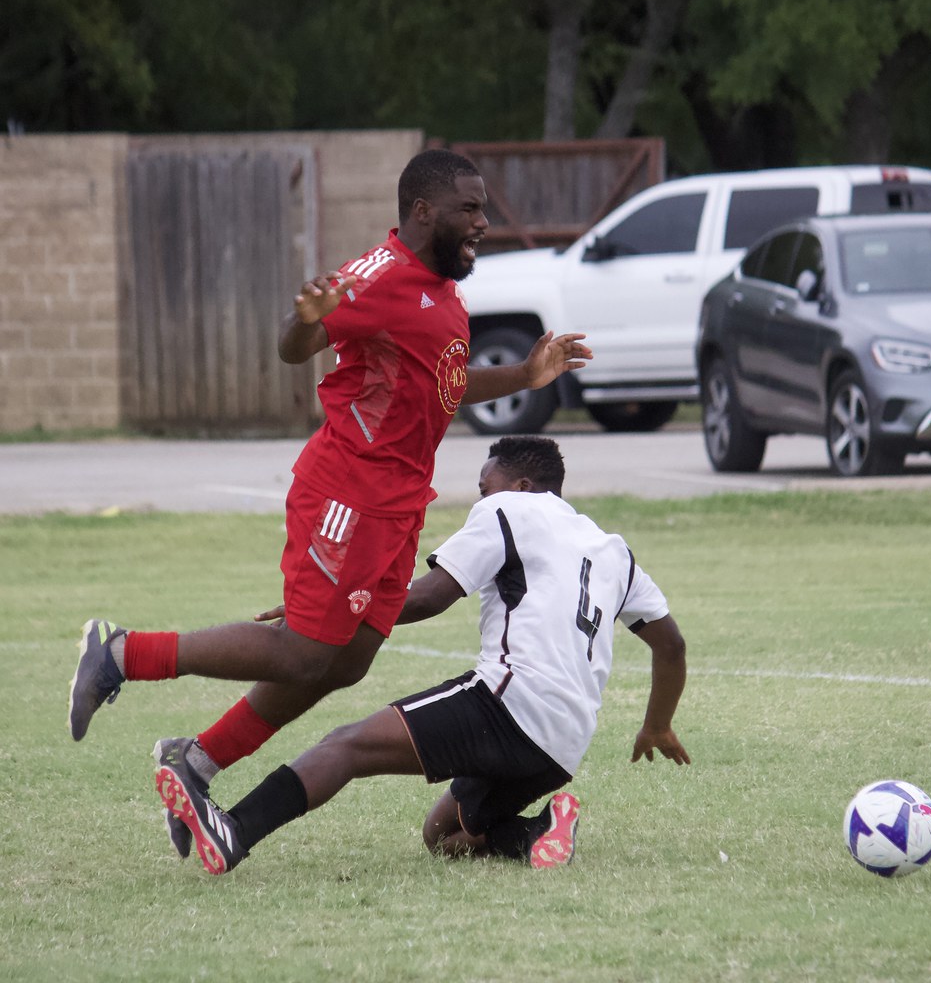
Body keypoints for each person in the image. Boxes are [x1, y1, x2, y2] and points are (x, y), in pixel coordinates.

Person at [68, 149, 592, 859]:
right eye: (469, 209)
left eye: (483, 209)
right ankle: (123, 653)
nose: (483, 222)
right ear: (422, 211)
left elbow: (446, 385)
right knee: (307, 650)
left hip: (399, 503)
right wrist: (303, 319)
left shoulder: (441, 289)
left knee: (348, 662)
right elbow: (299, 341)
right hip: (348, 490)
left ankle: (197, 760)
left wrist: (527, 374)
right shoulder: (378, 275)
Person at [154, 436, 690, 875]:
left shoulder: (511, 510)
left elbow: (433, 595)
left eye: (486, 486)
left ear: (522, 487)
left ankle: (234, 833)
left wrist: (333, 612)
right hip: (564, 744)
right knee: (444, 836)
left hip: (510, 703)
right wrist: (658, 725)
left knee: (347, 746)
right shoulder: (612, 549)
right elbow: (671, 645)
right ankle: (536, 832)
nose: (481, 497)